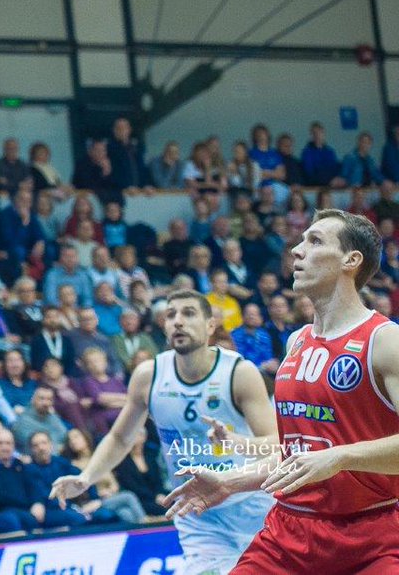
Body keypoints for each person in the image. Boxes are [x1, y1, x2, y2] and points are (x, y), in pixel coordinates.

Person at [165, 211, 399, 573]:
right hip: (289, 531)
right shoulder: (297, 342)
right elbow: (298, 456)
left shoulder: (384, 341)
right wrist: (231, 482)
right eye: (300, 240)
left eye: (315, 241)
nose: (297, 251)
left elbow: (326, 457)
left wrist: (340, 458)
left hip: (373, 535)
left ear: (351, 260)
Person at [50, 289, 276, 575]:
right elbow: (120, 437)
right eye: (171, 315)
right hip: (198, 514)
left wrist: (237, 442)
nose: (178, 321)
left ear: (210, 325)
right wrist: (86, 478)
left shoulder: (239, 373)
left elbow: (276, 446)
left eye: (188, 313)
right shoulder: (149, 375)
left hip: (251, 506)